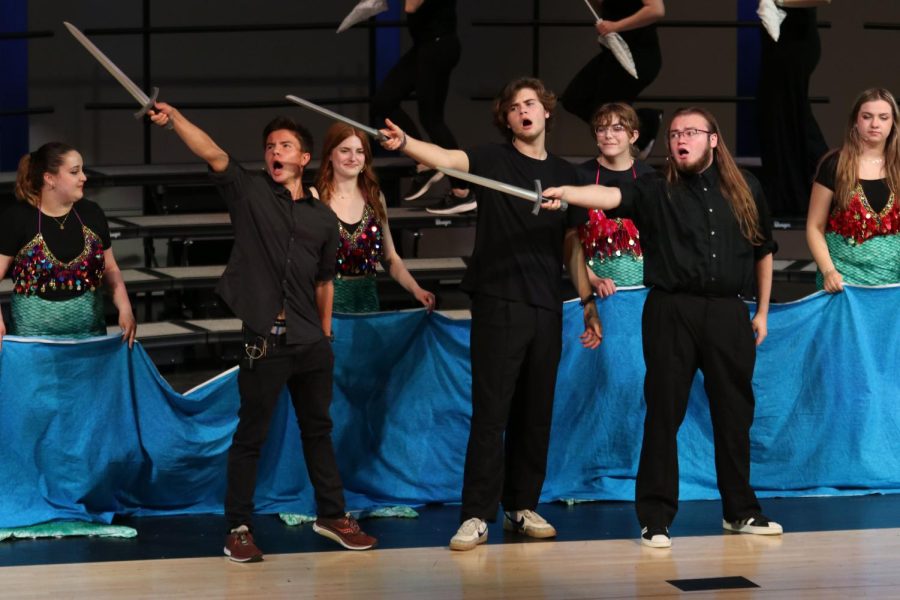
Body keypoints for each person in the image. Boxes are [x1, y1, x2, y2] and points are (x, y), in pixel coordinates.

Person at [379, 76, 603, 551]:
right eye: (514, 107)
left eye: (531, 104)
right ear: (507, 119)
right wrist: (407, 144)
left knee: (535, 412)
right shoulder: (492, 159)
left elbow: (572, 247)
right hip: (499, 300)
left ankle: (521, 506)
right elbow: (446, 159)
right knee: (491, 412)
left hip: (547, 305)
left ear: (546, 112)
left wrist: (586, 304)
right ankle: (477, 515)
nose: (523, 111)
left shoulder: (570, 176)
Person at [542, 107, 782, 549]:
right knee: (663, 412)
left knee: (734, 414)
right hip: (672, 310)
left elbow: (763, 249)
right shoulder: (654, 188)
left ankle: (741, 511)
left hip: (728, 312)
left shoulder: (747, 188)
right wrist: (568, 193)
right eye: (674, 134)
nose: (679, 140)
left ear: (713, 139)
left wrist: (762, 312)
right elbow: (610, 198)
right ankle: (655, 517)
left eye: (690, 132)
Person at [148, 103, 376, 562]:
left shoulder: (321, 217)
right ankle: (238, 527)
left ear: (304, 158)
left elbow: (324, 280)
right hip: (265, 341)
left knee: (319, 431)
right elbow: (213, 152)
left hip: (312, 344)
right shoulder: (249, 194)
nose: (275, 152)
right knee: (251, 436)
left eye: (284, 146)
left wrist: (326, 336)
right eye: (270, 147)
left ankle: (332, 516)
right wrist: (174, 122)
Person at [0, 142, 136, 349]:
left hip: (89, 338)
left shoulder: (92, 213)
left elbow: (110, 268)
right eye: (74, 172)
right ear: (49, 178)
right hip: (33, 342)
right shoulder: (17, 218)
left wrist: (125, 309)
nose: (84, 177)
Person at [314, 122, 436, 313]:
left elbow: (390, 257)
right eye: (345, 150)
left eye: (359, 151)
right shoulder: (315, 198)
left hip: (368, 306)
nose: (353, 158)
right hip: (327, 311)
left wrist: (416, 289)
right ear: (330, 155)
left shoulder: (375, 197)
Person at [370, 0, 475, 214]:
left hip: (439, 46)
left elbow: (411, 5)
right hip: (424, 46)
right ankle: (423, 162)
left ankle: (462, 191)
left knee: (432, 119)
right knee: (384, 101)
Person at [806, 88, 900, 291]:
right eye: (867, 117)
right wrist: (828, 271)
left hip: (894, 284)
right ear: (855, 121)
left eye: (883, 117)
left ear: (893, 123)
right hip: (843, 283)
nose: (875, 124)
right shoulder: (834, 164)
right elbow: (815, 226)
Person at [561, 0, 665, 156]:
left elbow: (657, 10)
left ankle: (645, 124)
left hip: (637, 57)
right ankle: (640, 129)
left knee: (607, 114)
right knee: (574, 99)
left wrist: (616, 26)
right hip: (614, 53)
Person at [757, 2, 829, 217]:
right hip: (776, 37)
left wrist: (778, 0)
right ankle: (787, 194)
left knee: (791, 115)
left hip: (794, 36)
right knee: (774, 116)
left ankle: (829, 183)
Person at [577, 103, 655, 298]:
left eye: (617, 128)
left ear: (634, 136)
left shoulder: (650, 178)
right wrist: (593, 280)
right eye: (601, 129)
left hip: (646, 292)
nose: (608, 135)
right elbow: (568, 239)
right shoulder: (580, 176)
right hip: (594, 293)